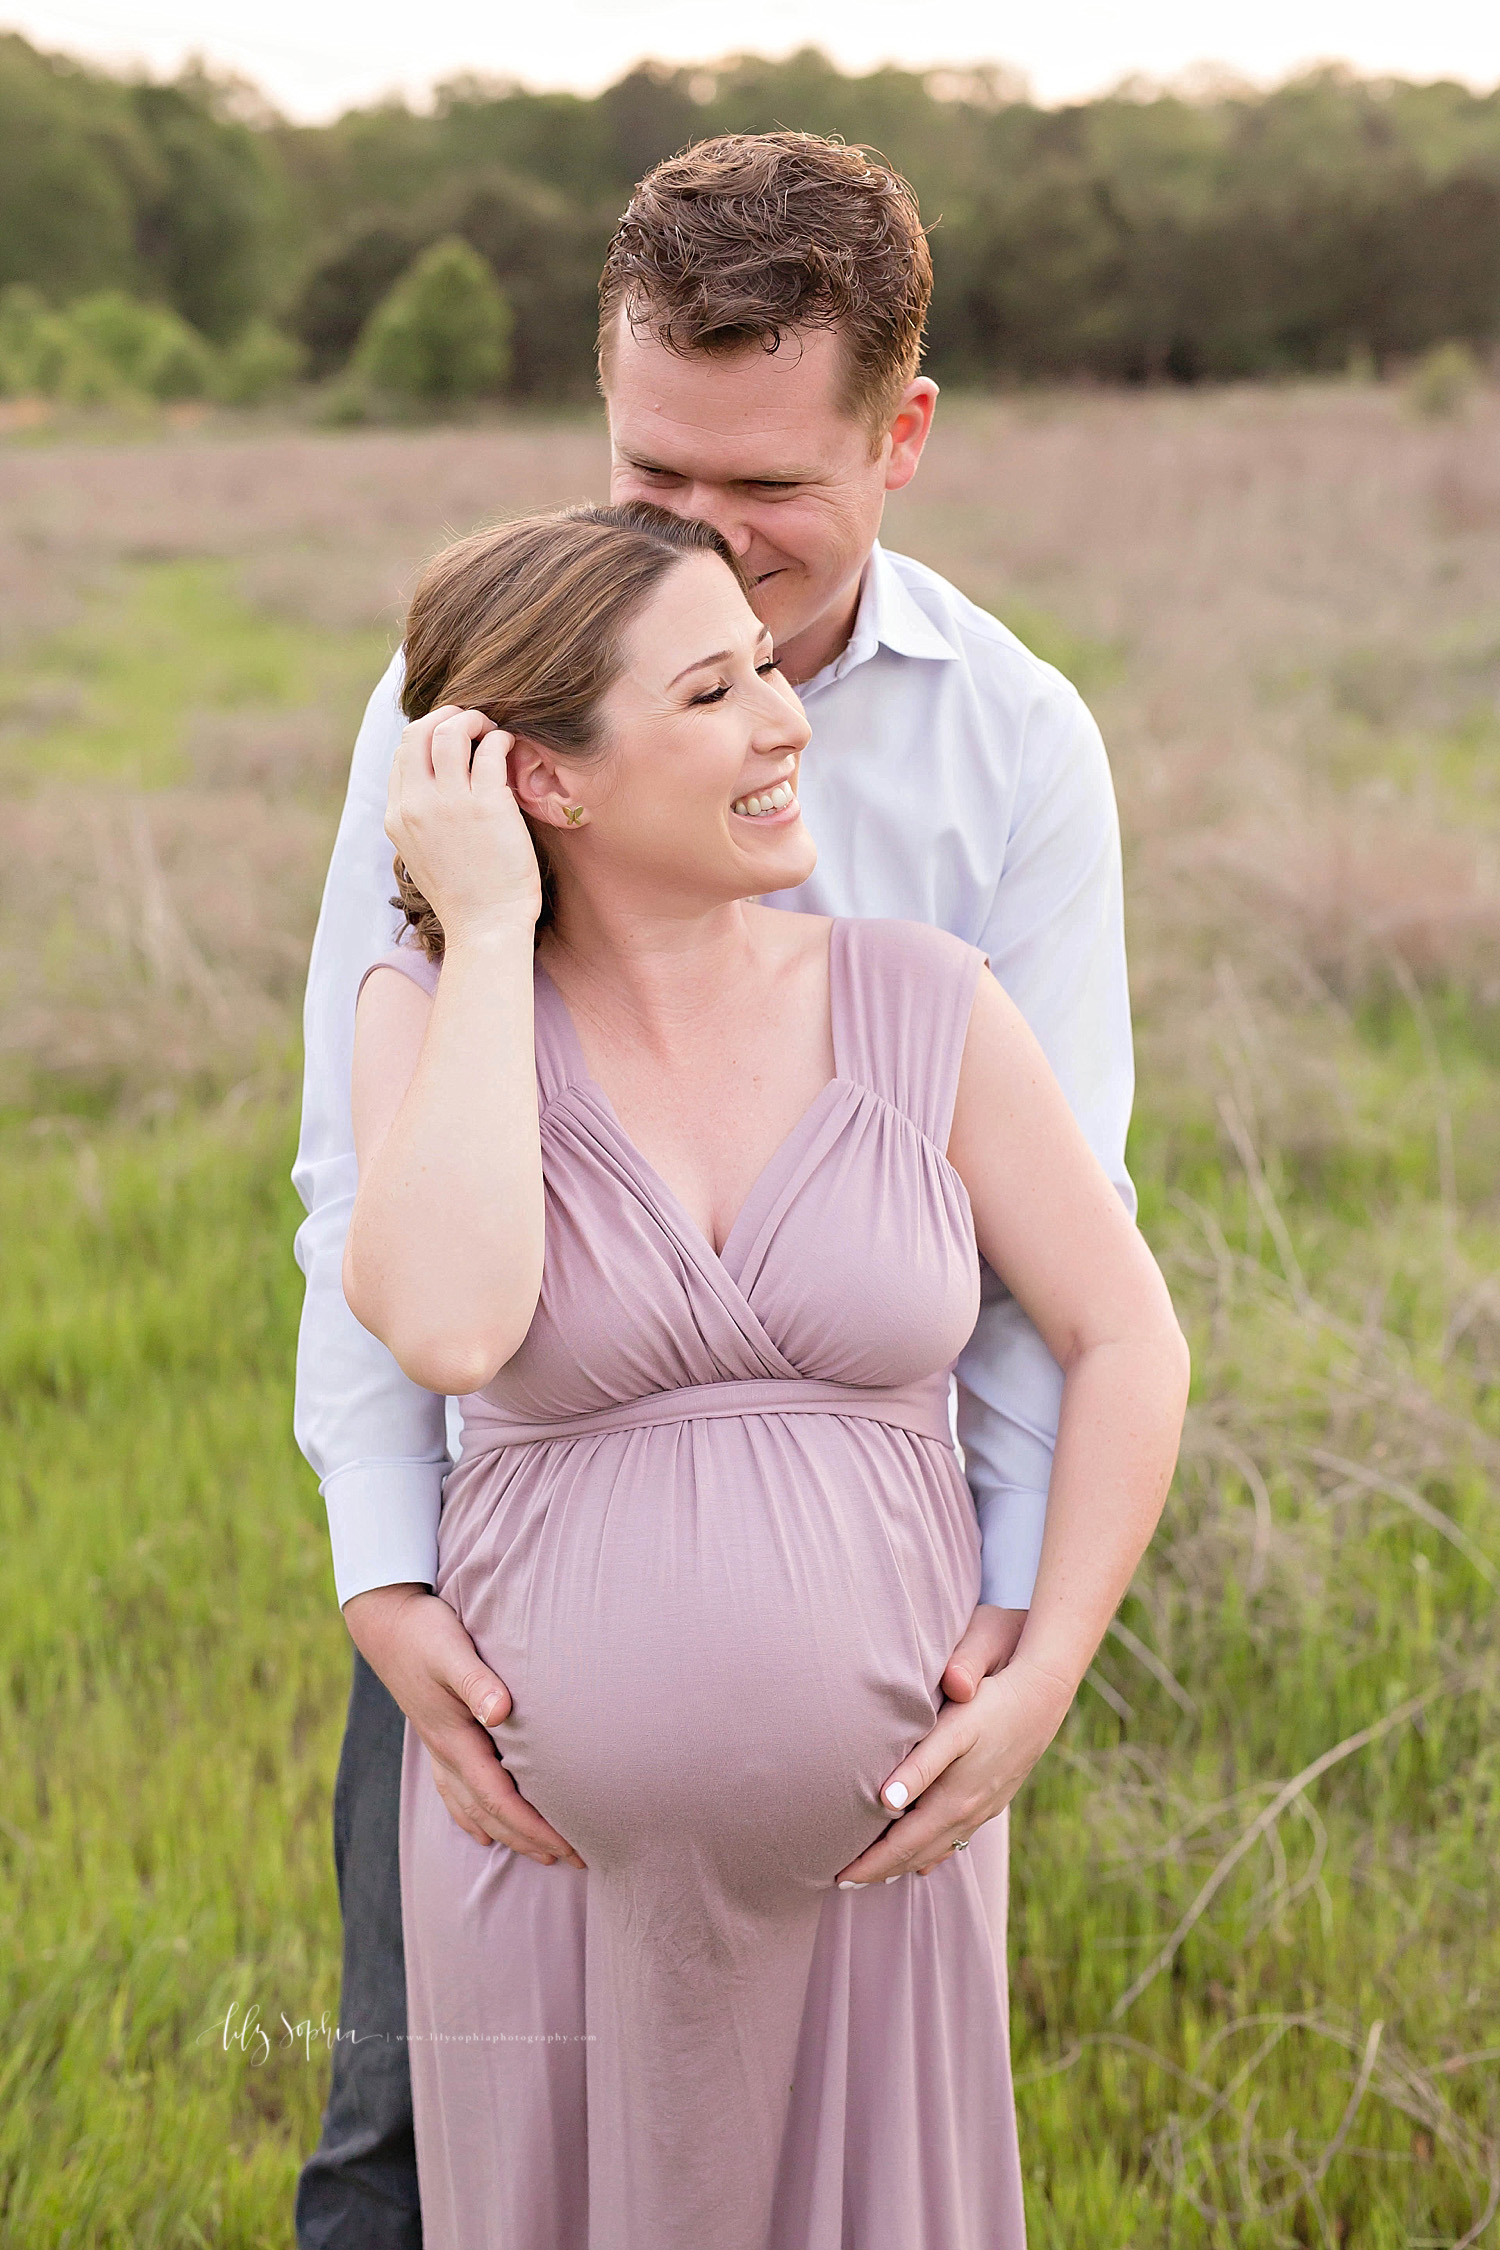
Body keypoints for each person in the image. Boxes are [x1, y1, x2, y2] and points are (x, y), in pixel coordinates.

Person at [291, 134, 1141, 2246]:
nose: (699, 540)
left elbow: (1077, 1279)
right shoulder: (468, 725)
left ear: (900, 434)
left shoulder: (1011, 749)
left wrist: (1017, 1648)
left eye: (762, 492)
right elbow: (361, 1185)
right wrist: (383, 1579)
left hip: (882, 1624)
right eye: (650, 473)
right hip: (509, 1586)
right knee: (403, 2151)